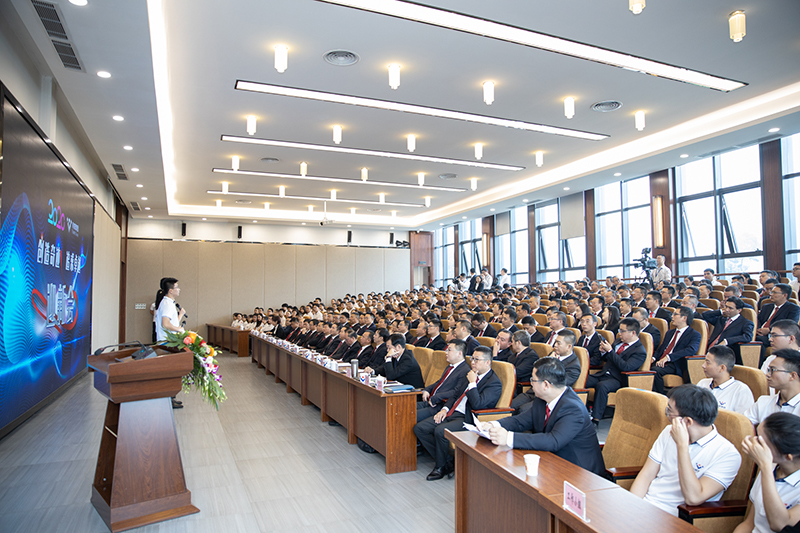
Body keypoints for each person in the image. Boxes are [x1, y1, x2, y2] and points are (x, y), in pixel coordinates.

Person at [481, 358, 606, 477]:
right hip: (552, 461)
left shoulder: (573, 409)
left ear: (546, 385)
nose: (531, 385)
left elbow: (553, 441)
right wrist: (494, 424)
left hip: (580, 472)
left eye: (533, 381)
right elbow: (521, 421)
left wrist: (508, 437)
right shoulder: (542, 399)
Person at [630, 385, 742, 517]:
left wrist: (682, 445)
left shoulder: (727, 454)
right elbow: (647, 475)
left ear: (687, 421)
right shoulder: (668, 431)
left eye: (669, 412)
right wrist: (633, 507)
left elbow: (694, 498)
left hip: (675, 518)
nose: (667, 416)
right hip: (645, 507)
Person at [413, 346, 502, 480]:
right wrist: (445, 409)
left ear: (487, 362)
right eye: (472, 359)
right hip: (453, 411)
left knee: (440, 431)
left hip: (468, 418)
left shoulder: (493, 383)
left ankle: (440, 467)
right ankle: (448, 461)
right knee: (420, 428)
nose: (472, 362)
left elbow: (478, 404)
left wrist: (472, 383)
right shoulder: (471, 375)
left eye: (476, 360)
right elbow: (455, 395)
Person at [734, 412, 800, 533]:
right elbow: (749, 523)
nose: (753, 444)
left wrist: (765, 467)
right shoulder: (772, 468)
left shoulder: (766, 468)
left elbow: (780, 525)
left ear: (788, 457)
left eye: (761, 442)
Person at [586, 318, 647, 425]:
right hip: (603, 373)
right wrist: (604, 352)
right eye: (619, 330)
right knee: (582, 381)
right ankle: (582, 412)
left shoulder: (639, 351)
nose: (619, 334)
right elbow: (608, 359)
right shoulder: (618, 342)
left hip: (617, 378)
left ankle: (596, 419)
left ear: (633, 333)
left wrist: (610, 351)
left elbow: (626, 366)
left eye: (623, 331)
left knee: (602, 386)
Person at [510, 330, 581, 414]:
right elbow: (537, 371)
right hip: (533, 392)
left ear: (569, 347)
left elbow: (557, 384)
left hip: (548, 398)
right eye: (555, 342)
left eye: (559, 343)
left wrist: (550, 364)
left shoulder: (574, 365)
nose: (555, 345)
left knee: (523, 410)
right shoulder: (553, 354)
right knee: (511, 406)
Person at [651, 306, 702, 395]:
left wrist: (669, 357)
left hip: (675, 363)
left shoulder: (694, 334)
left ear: (684, 318)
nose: (672, 317)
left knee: (655, 371)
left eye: (675, 314)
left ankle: (659, 397)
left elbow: (691, 350)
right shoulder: (670, 332)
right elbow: (662, 348)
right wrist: (654, 358)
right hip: (661, 360)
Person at [417, 339, 470, 422]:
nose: (446, 352)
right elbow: (439, 382)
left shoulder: (465, 370)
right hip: (431, 400)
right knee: (405, 408)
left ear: (459, 353)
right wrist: (427, 390)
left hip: (441, 404)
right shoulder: (450, 367)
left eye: (449, 350)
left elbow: (456, 392)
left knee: (411, 414)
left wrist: (438, 397)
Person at [745, 349, 800, 427]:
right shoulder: (763, 402)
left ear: (792, 376)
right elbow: (741, 426)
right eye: (768, 370)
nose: (767, 374)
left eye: (772, 370)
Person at [155, 277, 185, 409]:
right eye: (177, 287)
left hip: (169, 342)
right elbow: (166, 324)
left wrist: (180, 315)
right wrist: (179, 329)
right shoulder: (167, 304)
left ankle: (171, 397)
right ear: (171, 290)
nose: (179, 290)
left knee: (171, 372)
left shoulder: (169, 303)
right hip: (167, 343)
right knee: (169, 372)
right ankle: (169, 398)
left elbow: (172, 323)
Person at [698, 346, 755, 414]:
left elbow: (742, 422)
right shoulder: (702, 383)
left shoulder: (741, 391)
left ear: (722, 368)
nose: (703, 366)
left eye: (708, 363)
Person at [702, 297, 755, 364]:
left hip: (725, 354)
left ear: (739, 310)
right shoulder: (721, 319)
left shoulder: (745, 323)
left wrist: (727, 341)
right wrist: (721, 311)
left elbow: (748, 337)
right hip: (709, 349)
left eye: (730, 308)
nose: (727, 310)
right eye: (726, 306)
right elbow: (705, 315)